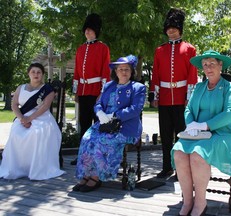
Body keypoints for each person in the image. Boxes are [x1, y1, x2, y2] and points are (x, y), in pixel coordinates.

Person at [172, 50, 231, 216]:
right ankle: (188, 201)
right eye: (205, 64)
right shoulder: (199, 87)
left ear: (220, 65)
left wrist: (205, 125)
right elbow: (188, 109)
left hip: (222, 134)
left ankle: (200, 203)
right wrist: (191, 124)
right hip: (196, 133)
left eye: (212, 63)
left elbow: (230, 113)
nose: (208, 67)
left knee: (198, 155)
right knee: (179, 153)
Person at [72, 55, 146, 193]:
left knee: (102, 141)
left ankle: (97, 176)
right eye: (121, 69)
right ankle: (86, 175)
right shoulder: (108, 86)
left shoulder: (138, 87)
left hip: (125, 127)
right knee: (87, 139)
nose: (124, 72)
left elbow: (135, 109)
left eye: (127, 69)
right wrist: (100, 113)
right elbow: (99, 103)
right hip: (105, 123)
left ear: (131, 72)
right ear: (115, 71)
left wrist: (114, 116)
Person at [150, 8, 198, 178]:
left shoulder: (189, 49)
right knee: (165, 134)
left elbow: (192, 75)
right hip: (164, 98)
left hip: (180, 99)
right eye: (169, 27)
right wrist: (154, 96)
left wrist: (189, 98)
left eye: (174, 27)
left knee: (181, 135)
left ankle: (181, 169)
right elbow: (155, 74)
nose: (171, 30)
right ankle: (166, 167)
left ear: (180, 29)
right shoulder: (159, 50)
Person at [0, 63, 65, 180]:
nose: (36, 74)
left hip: (42, 117)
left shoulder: (47, 90)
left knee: (36, 132)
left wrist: (29, 119)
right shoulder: (20, 87)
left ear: (42, 75)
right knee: (15, 132)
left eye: (39, 72)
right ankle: (18, 167)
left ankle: (35, 168)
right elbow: (14, 105)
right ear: (28, 73)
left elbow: (45, 107)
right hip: (23, 117)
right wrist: (22, 119)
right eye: (33, 72)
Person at [71, 13, 111, 165]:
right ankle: (83, 154)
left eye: (91, 29)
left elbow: (105, 72)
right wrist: (76, 91)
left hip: (96, 91)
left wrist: (102, 92)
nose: (87, 32)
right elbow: (76, 72)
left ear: (96, 31)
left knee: (97, 125)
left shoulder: (102, 48)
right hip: (83, 90)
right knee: (84, 124)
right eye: (86, 29)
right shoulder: (80, 49)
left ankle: (97, 154)